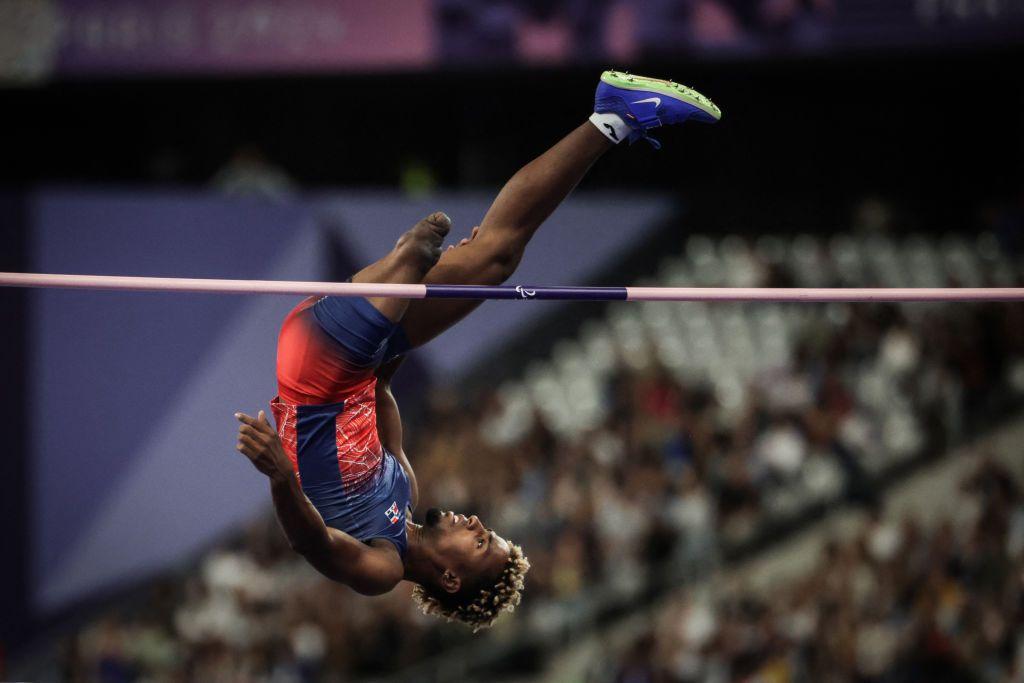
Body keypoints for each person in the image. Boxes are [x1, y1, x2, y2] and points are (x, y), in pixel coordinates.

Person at [233, 70, 721, 631]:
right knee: (495, 261)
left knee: (428, 259)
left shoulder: (382, 569)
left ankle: (406, 263)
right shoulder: (405, 486)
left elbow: (311, 541)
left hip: (315, 369)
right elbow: (383, 389)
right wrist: (434, 299)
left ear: (450, 578)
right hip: (361, 357)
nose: (474, 522)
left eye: (479, 539)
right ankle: (614, 118)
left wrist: (279, 476)